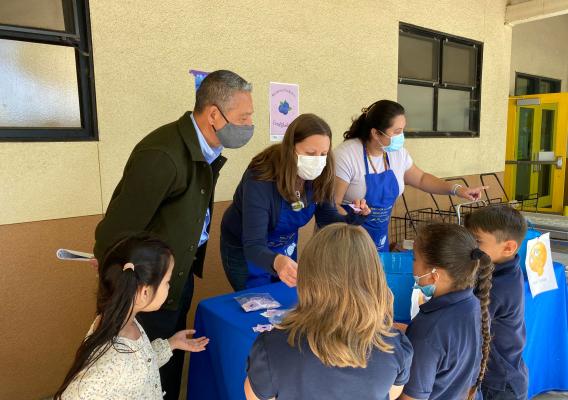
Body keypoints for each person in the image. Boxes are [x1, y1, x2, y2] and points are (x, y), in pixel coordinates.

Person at [92, 70, 254, 399]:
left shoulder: (202, 150)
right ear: (214, 114)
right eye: (245, 116)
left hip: (173, 278)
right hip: (145, 287)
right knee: (145, 371)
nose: (250, 124)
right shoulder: (164, 155)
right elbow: (116, 231)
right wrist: (133, 289)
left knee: (169, 357)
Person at [245, 223, 413, 399]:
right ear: (374, 278)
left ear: (308, 278)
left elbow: (254, 396)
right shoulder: (393, 345)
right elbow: (392, 395)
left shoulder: (272, 347)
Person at [220, 113, 370, 291]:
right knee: (256, 302)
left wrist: (354, 217)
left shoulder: (322, 172)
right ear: (291, 148)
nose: (318, 160)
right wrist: (277, 261)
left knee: (286, 298)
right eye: (310, 153)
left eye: (323, 153)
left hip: (284, 247)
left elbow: (326, 218)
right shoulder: (260, 177)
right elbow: (253, 244)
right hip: (246, 249)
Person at [55, 234, 209, 400]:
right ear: (144, 292)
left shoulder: (123, 320)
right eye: (167, 282)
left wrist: (172, 344)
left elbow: (141, 365)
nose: (169, 287)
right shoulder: (113, 363)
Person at [334, 100, 487, 252]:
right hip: (345, 243)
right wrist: (354, 221)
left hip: (378, 241)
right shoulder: (346, 155)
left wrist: (457, 190)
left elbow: (421, 179)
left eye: (403, 130)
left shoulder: (397, 154)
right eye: (396, 131)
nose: (401, 136)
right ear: (375, 133)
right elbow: (331, 204)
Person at [398, 223, 493, 400]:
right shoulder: (472, 303)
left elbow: (411, 398)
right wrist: (406, 332)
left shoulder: (428, 330)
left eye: (414, 259)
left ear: (435, 274)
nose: (412, 265)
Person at [465, 206, 529, 400]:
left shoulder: (499, 288)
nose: (469, 247)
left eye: (476, 241)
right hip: (501, 375)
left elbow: (467, 331)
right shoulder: (501, 268)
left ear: (508, 247)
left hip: (499, 384)